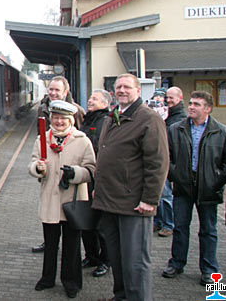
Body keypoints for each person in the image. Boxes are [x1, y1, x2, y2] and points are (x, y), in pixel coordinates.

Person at [93, 73, 169, 301]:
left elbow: (158, 163)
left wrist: (150, 199)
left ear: (138, 90)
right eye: (119, 87)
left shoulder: (149, 119)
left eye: (127, 87)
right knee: (117, 258)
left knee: (135, 261)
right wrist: (99, 188)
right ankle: (121, 296)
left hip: (134, 203)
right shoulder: (113, 117)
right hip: (110, 200)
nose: (122, 90)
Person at [29, 100, 96, 299]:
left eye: (63, 119)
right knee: (50, 243)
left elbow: (92, 170)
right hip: (50, 200)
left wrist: (75, 173)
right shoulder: (43, 139)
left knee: (72, 245)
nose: (59, 122)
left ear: (70, 120)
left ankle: (71, 282)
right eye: (56, 118)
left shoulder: (82, 140)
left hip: (72, 201)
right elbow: (33, 162)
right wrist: (37, 168)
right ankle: (47, 278)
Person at [162, 91, 226, 285]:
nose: (191, 107)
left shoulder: (222, 132)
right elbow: (167, 157)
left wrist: (216, 181)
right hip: (183, 187)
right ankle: (177, 263)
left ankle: (209, 269)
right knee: (180, 227)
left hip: (209, 188)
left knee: (208, 230)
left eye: (197, 104)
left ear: (208, 109)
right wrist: (175, 175)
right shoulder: (175, 129)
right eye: (190, 103)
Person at [32, 76, 85, 253]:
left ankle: (80, 252)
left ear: (65, 91)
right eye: (51, 89)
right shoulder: (42, 109)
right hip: (49, 171)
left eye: (57, 90)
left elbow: (81, 139)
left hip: (70, 174)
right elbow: (40, 137)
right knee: (50, 210)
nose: (53, 93)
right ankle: (49, 242)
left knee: (72, 215)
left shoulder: (76, 110)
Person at [79, 89, 111, 278]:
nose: (90, 100)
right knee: (86, 222)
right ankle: (91, 256)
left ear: (105, 104)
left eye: (95, 99)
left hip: (99, 179)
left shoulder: (106, 122)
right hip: (85, 177)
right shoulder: (88, 120)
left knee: (101, 225)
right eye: (90, 97)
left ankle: (105, 260)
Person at [154, 86, 187, 237]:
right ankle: (159, 221)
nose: (168, 100)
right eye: (167, 97)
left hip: (169, 159)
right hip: (162, 157)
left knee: (166, 194)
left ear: (180, 98)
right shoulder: (166, 113)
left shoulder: (180, 117)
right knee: (160, 193)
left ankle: (168, 224)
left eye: (171, 98)